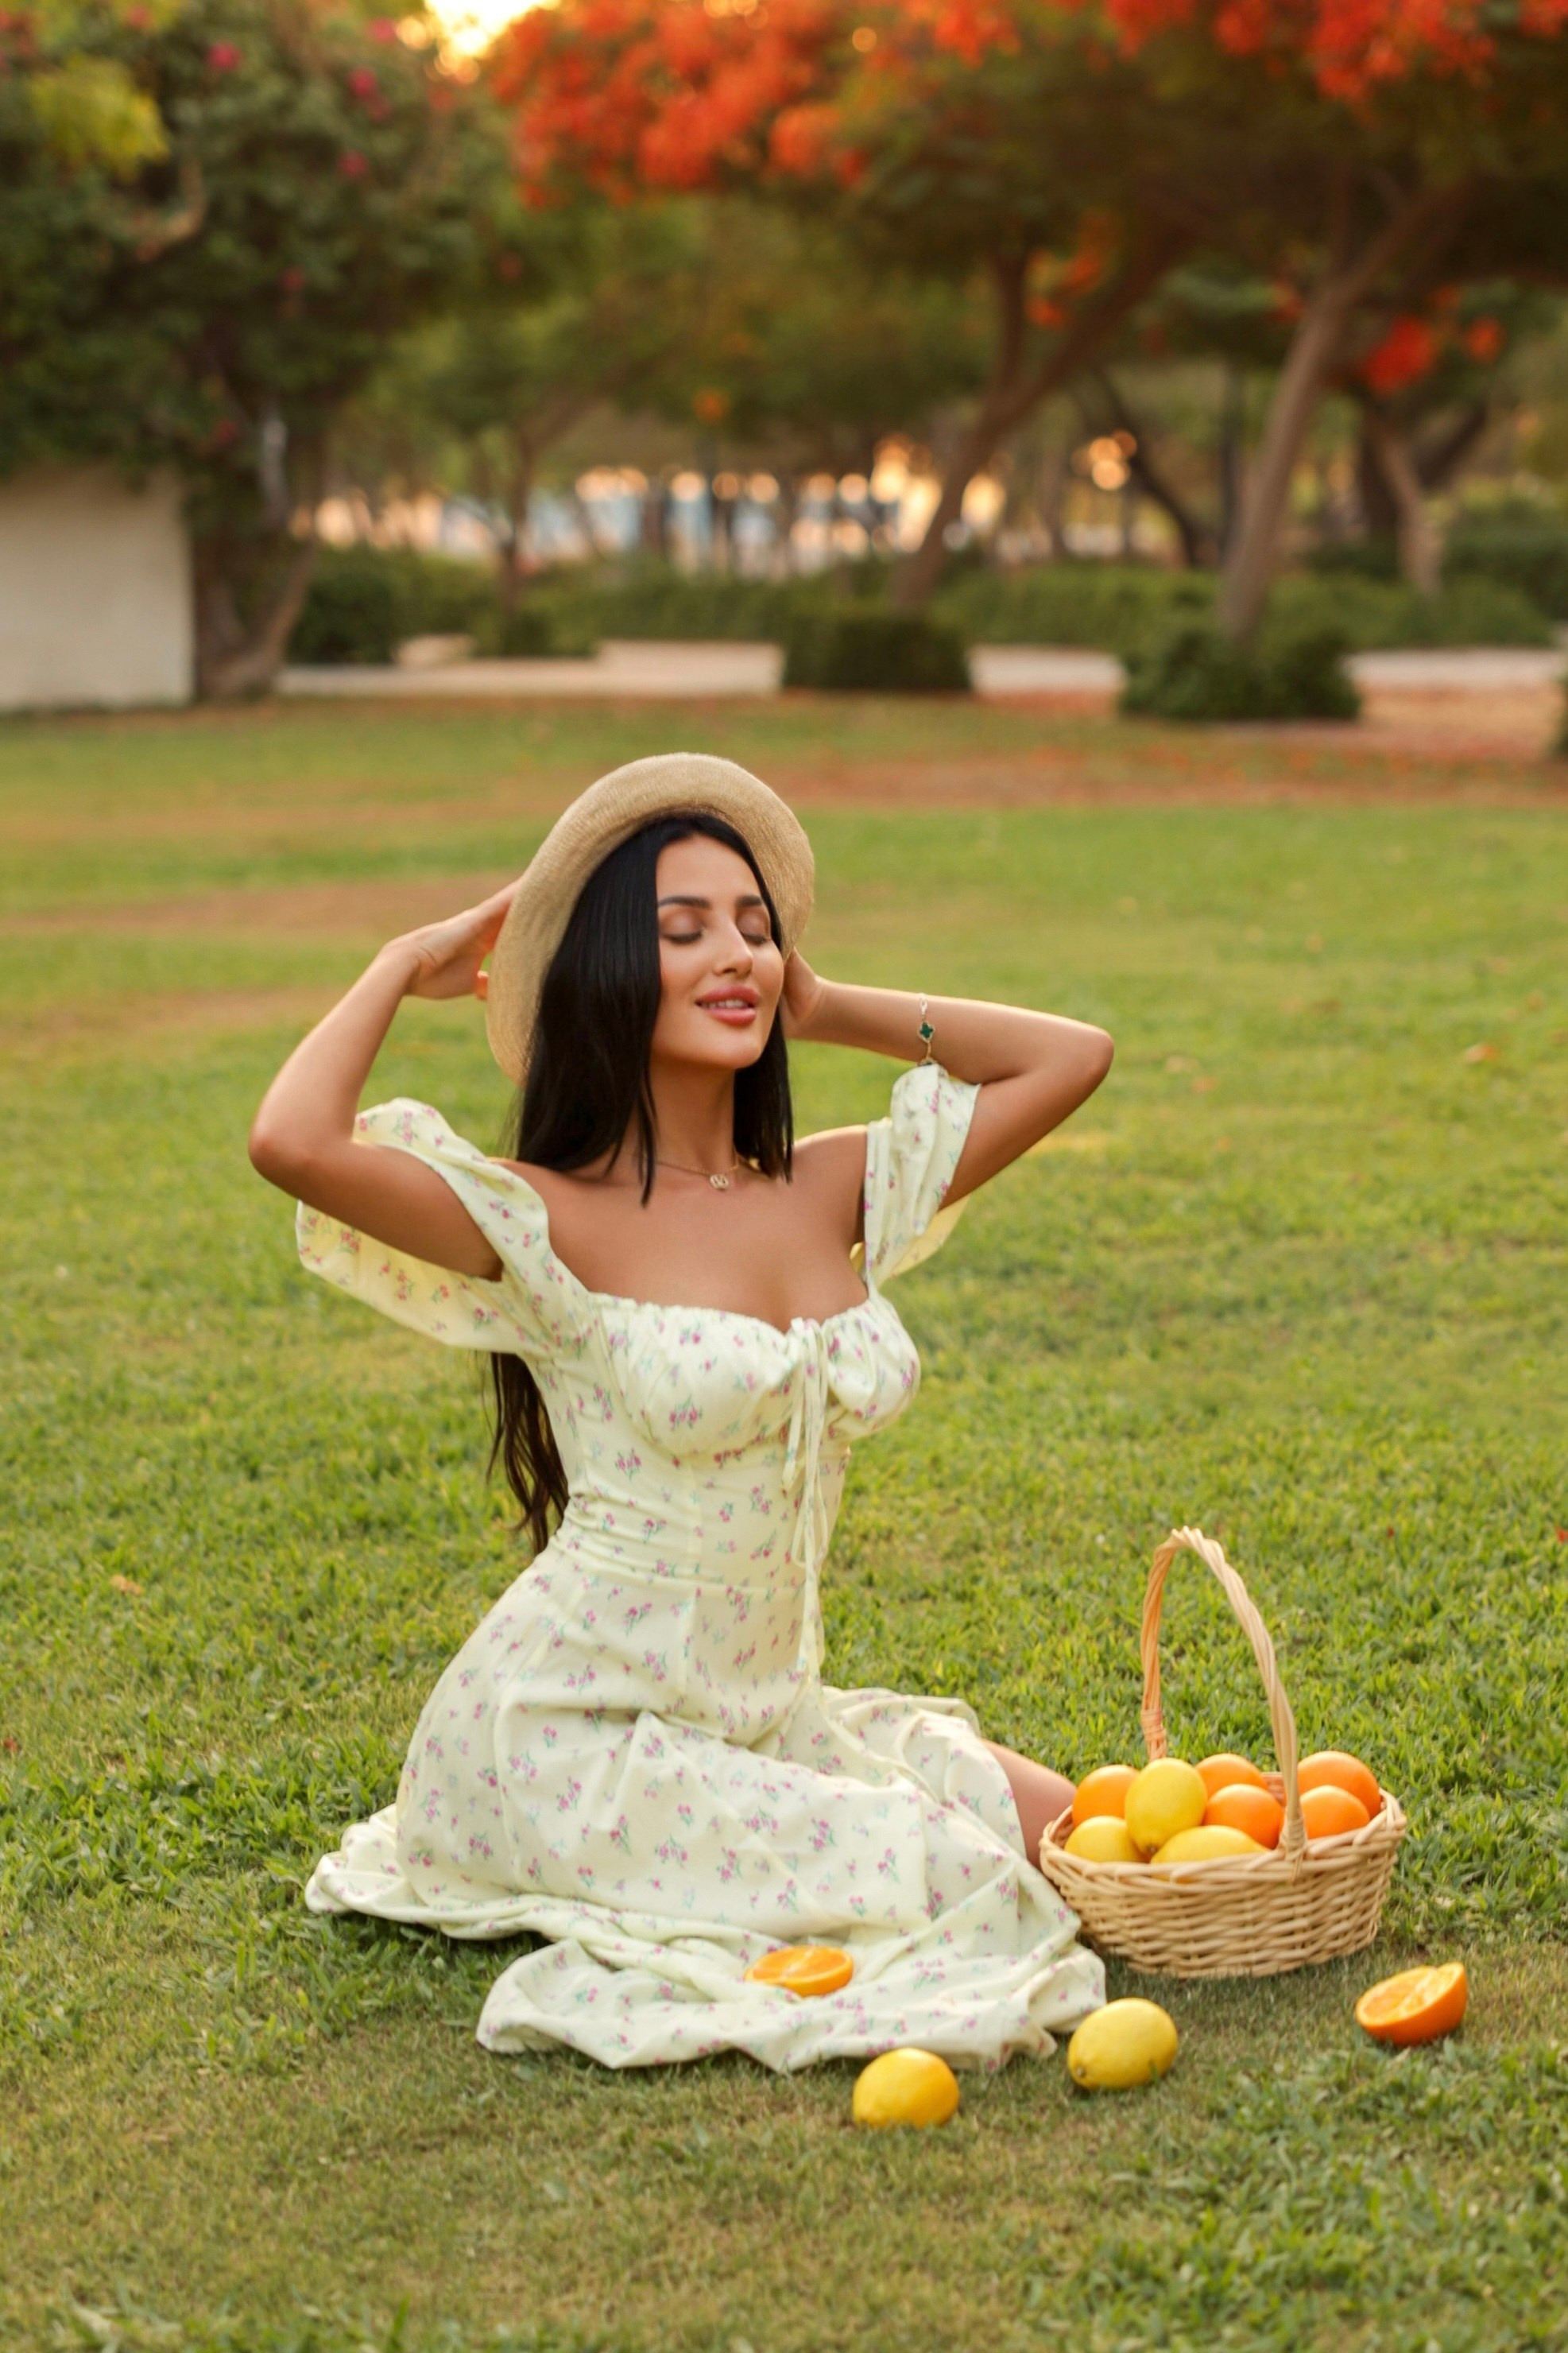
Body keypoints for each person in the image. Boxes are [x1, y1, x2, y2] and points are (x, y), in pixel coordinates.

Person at [250, 753, 1113, 2071]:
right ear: (606, 971)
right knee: (951, 1869)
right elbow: (294, 1144)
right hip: (572, 1734)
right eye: (683, 929)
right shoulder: (544, 1217)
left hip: (764, 1709)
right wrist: (399, 961)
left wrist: (820, 1002)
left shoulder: (824, 1191)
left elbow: (1069, 1056)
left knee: (1069, 1822)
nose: (735, 955)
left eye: (756, 927)